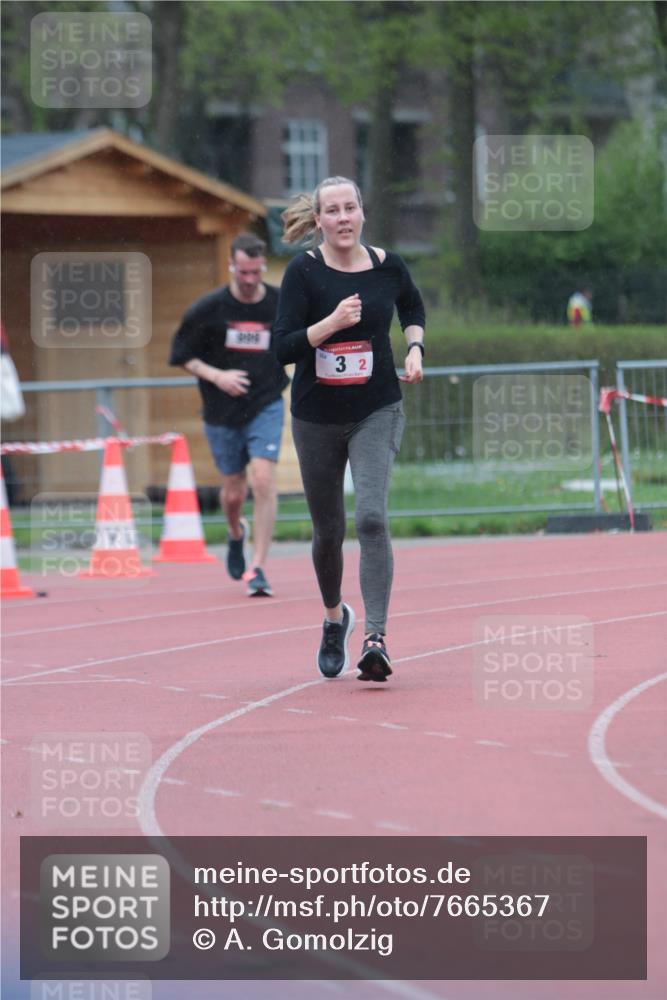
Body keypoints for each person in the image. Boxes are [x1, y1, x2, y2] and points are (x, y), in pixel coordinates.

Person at [274, 176, 425, 683]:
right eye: (333, 211)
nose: (343, 218)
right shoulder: (303, 272)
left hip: (376, 409)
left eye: (350, 208)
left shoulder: (387, 265)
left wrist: (415, 347)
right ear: (318, 220)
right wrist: (331, 324)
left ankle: (375, 637)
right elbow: (283, 347)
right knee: (328, 532)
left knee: (372, 518)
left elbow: (412, 306)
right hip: (316, 417)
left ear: (363, 213)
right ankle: (335, 616)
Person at [169, 233, 289, 596]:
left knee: (263, 479)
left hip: (266, 402)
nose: (250, 280)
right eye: (243, 272)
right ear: (231, 267)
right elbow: (182, 356)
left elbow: (303, 337)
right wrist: (217, 376)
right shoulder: (208, 309)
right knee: (234, 491)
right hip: (221, 410)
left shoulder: (280, 302)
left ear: (263, 267)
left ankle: (258, 567)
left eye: (256, 272)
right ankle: (236, 532)